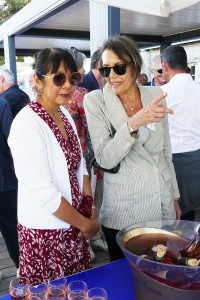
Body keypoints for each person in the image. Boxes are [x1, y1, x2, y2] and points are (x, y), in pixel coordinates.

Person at [84, 35, 181, 262]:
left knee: (160, 269)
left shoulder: (155, 95)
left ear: (135, 66)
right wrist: (133, 123)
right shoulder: (95, 101)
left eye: (118, 68)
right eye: (106, 70)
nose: (112, 77)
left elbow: (166, 152)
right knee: (127, 279)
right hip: (124, 210)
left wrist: (174, 196)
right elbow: (105, 159)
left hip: (160, 202)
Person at [8, 47, 99, 284]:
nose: (68, 85)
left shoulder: (65, 114)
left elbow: (80, 165)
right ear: (37, 80)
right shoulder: (26, 124)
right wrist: (86, 224)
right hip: (46, 234)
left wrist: (89, 206)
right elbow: (43, 193)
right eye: (59, 78)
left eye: (73, 77)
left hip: (75, 226)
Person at [66, 48, 108, 261]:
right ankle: (91, 241)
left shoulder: (73, 95)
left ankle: (89, 241)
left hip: (73, 161)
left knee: (80, 200)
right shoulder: (81, 94)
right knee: (88, 200)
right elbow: (93, 131)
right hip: (82, 160)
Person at [161, 45, 200, 221]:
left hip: (176, 162)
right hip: (197, 157)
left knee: (178, 218)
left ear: (165, 66)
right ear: (186, 65)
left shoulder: (163, 93)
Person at [0, 97, 19, 274]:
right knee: (12, 228)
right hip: (4, 179)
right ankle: (21, 267)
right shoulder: (1, 103)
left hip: (5, 179)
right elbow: (13, 140)